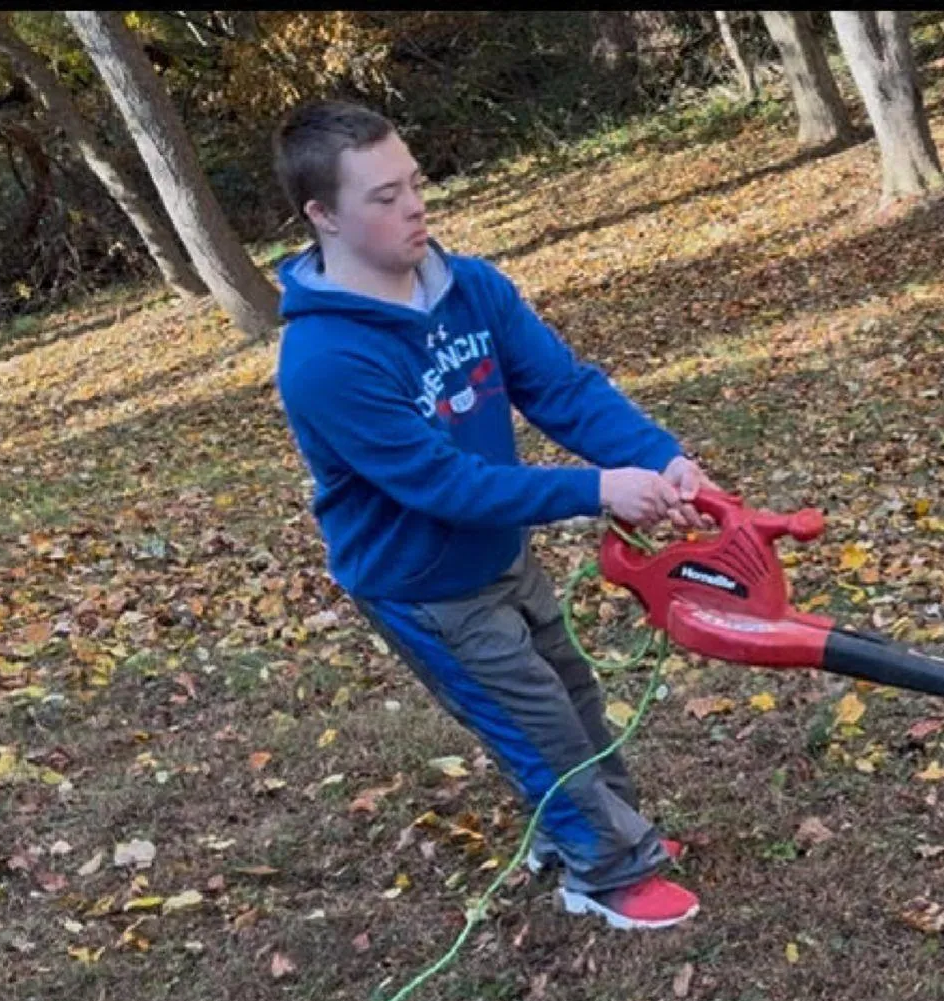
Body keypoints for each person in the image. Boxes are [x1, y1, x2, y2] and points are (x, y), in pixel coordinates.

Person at [271, 99, 717, 930]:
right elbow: (444, 484)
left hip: (498, 552)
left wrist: (654, 455)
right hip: (421, 583)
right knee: (535, 723)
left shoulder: (469, 286)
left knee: (573, 695)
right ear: (321, 215)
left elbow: (560, 387)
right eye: (382, 196)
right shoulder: (324, 360)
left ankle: (609, 835)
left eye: (414, 183)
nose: (414, 207)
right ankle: (605, 871)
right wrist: (595, 492)